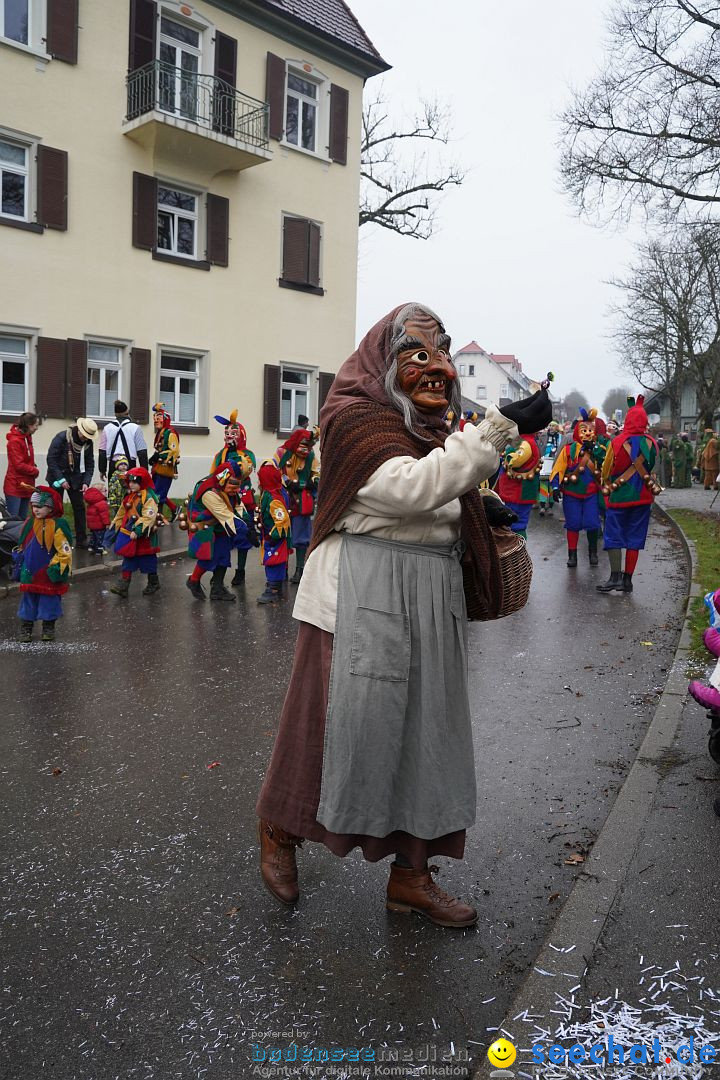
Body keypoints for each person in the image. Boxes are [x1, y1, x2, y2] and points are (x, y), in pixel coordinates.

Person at [255, 302, 551, 926]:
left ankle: (412, 876)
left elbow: (440, 485)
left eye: (441, 356)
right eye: (418, 356)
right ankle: (279, 833)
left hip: (428, 594)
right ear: (383, 360)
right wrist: (496, 430)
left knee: (428, 735)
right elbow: (407, 488)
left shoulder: (428, 424)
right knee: (329, 730)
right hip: (356, 596)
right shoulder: (355, 418)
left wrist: (479, 503)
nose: (436, 369)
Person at [597, 395, 660, 593]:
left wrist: (606, 486)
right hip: (643, 498)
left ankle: (614, 577)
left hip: (619, 497)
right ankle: (627, 581)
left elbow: (606, 469)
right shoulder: (653, 443)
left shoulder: (616, 442)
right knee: (635, 537)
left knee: (613, 535)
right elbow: (655, 471)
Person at [183, 458, 252, 601]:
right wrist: (247, 531)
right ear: (223, 480)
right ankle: (193, 581)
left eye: (238, 486)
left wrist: (249, 524)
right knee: (208, 556)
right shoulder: (209, 492)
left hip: (219, 525)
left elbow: (238, 505)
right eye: (233, 487)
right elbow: (226, 515)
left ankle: (217, 588)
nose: (237, 490)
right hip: (207, 526)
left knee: (223, 556)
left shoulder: (227, 486)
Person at [550, 408, 606, 567]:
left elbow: (606, 465)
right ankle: (572, 555)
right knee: (572, 524)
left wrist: (595, 449)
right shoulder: (568, 450)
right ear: (577, 432)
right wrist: (555, 487)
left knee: (592, 523)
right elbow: (558, 469)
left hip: (591, 494)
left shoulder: (599, 450)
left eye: (590, 430)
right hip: (571, 493)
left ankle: (592, 553)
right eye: (584, 430)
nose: (587, 433)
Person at [16, 486, 72, 642]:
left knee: (49, 601)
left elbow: (64, 549)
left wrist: (58, 566)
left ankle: (48, 627)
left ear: (50, 507)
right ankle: (26, 628)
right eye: (33, 506)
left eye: (40, 506)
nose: (36, 510)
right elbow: (23, 543)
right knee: (28, 600)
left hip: (47, 570)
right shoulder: (29, 522)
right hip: (30, 569)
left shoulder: (58, 524)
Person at [211, 410, 257, 585]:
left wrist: (234, 455)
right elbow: (214, 474)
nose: (229, 436)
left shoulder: (248, 454)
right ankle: (219, 574)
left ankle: (241, 570)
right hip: (224, 499)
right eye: (227, 433)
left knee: (243, 536)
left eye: (234, 433)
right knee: (223, 537)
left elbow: (246, 470)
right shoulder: (220, 455)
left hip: (243, 500)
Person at [273, 428, 320, 582]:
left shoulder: (311, 457)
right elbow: (274, 471)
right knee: (283, 533)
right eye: (303, 446)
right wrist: (286, 482)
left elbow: (317, 473)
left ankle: (300, 569)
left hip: (302, 500)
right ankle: (283, 568)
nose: (305, 450)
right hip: (283, 498)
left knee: (301, 535)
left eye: (309, 447)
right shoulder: (281, 453)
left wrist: (311, 482)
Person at [108, 467, 163, 597]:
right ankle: (123, 585)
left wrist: (138, 530)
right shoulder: (130, 497)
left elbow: (148, 516)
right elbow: (122, 511)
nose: (131, 484)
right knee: (128, 558)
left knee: (148, 560)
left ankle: (153, 582)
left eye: (134, 482)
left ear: (142, 482)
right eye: (130, 482)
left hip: (145, 537)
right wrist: (115, 524)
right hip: (130, 535)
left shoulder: (149, 498)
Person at [45, 417, 98, 548]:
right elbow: (51, 459)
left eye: (88, 436)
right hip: (57, 477)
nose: (85, 438)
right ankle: (53, 538)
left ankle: (81, 539)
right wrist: (60, 479)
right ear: (79, 430)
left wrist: (86, 482)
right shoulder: (62, 437)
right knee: (55, 509)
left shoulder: (88, 443)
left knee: (79, 508)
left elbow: (90, 464)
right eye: (84, 435)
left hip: (76, 479)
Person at [256, 460, 293, 604]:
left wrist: (273, 535)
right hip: (269, 536)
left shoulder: (274, 499)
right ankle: (274, 585)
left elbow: (283, 521)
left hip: (274, 538)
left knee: (273, 562)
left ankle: (273, 589)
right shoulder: (268, 494)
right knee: (271, 561)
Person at [495, 429, 541, 538]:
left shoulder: (526, 443)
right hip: (518, 491)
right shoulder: (522, 440)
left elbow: (515, 460)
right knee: (515, 523)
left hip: (517, 492)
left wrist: (507, 454)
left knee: (515, 524)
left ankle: (516, 552)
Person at [98, 400, 148, 480]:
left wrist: (102, 470)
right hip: (130, 465)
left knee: (113, 491)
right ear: (127, 412)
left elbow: (102, 452)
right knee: (130, 491)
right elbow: (142, 452)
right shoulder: (135, 428)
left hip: (113, 465)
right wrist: (144, 472)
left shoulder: (107, 428)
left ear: (115, 414)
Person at [3, 411, 40, 518]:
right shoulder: (14, 441)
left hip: (26, 486)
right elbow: (18, 465)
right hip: (15, 486)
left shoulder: (27, 437)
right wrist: (34, 470)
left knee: (23, 520)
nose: (37, 428)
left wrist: (32, 464)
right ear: (29, 425)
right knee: (13, 520)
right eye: (36, 425)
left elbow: (24, 457)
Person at [149, 402, 180, 517]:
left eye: (159, 418)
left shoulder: (170, 433)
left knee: (158, 494)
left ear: (165, 419)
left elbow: (174, 451)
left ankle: (158, 517)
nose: (156, 421)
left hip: (165, 469)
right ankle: (174, 509)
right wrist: (155, 457)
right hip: (158, 468)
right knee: (155, 491)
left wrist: (159, 456)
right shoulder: (161, 432)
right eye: (155, 418)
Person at [536, 421, 561, 516]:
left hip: (554, 464)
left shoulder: (560, 438)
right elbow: (539, 448)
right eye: (550, 425)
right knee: (543, 486)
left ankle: (550, 507)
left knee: (552, 487)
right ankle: (542, 507)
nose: (551, 427)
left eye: (553, 426)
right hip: (544, 462)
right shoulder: (543, 436)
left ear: (557, 427)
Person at [83, 482, 110, 554]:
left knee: (93, 536)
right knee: (100, 537)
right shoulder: (102, 502)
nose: (106, 492)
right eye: (105, 491)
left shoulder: (91, 502)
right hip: (100, 525)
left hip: (92, 525)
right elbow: (104, 515)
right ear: (99, 492)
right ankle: (99, 549)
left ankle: (91, 546)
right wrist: (107, 523)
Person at [107, 455, 129, 522]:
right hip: (116, 497)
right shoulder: (115, 475)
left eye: (125, 464)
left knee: (124, 512)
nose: (123, 466)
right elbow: (111, 485)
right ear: (117, 466)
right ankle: (114, 524)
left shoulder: (128, 474)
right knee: (115, 513)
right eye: (121, 464)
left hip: (125, 496)